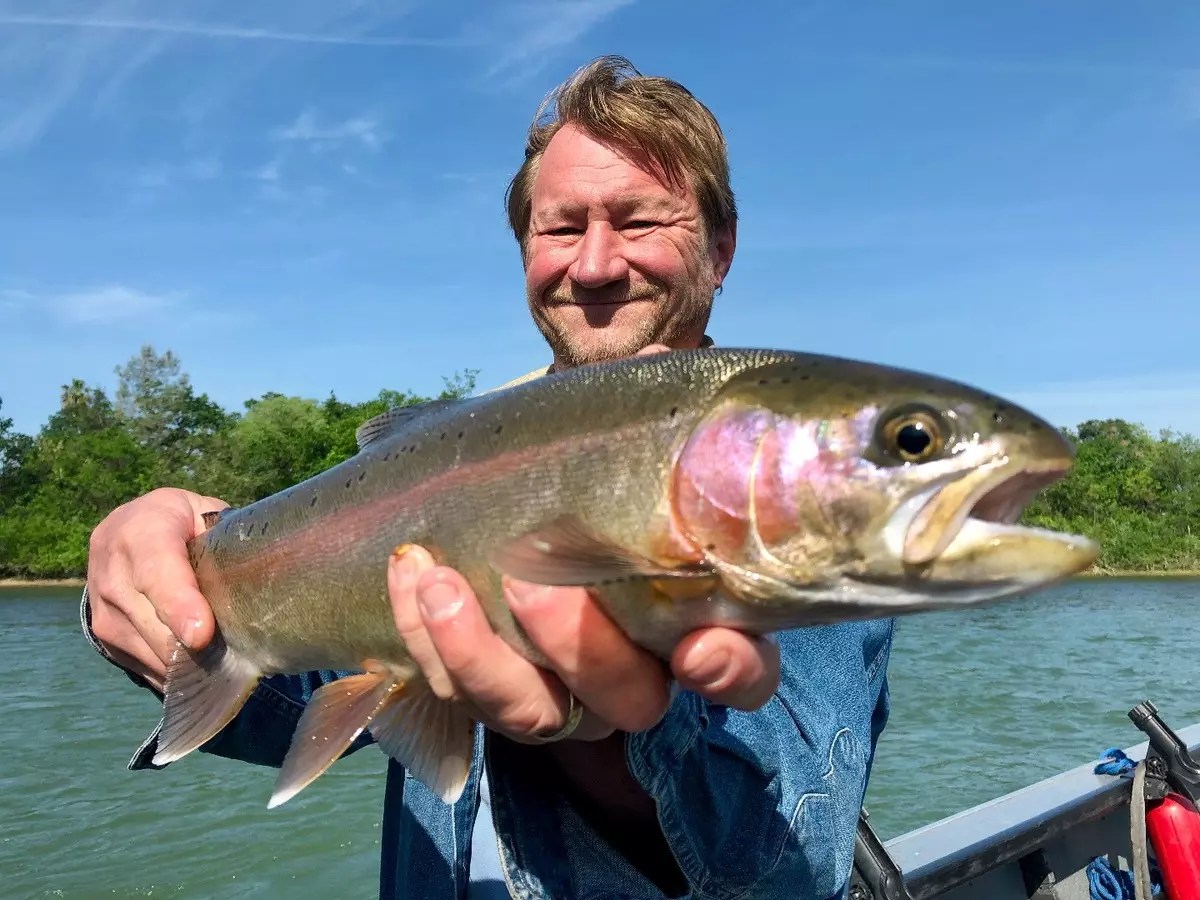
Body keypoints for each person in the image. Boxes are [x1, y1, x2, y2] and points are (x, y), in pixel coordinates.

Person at [83, 55, 894, 900]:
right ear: (524, 252)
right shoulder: (434, 460)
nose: (595, 264)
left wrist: (602, 734)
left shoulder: (795, 473)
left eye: (641, 220)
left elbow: (788, 860)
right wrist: (150, 577)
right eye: (560, 227)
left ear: (721, 249)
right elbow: (280, 702)